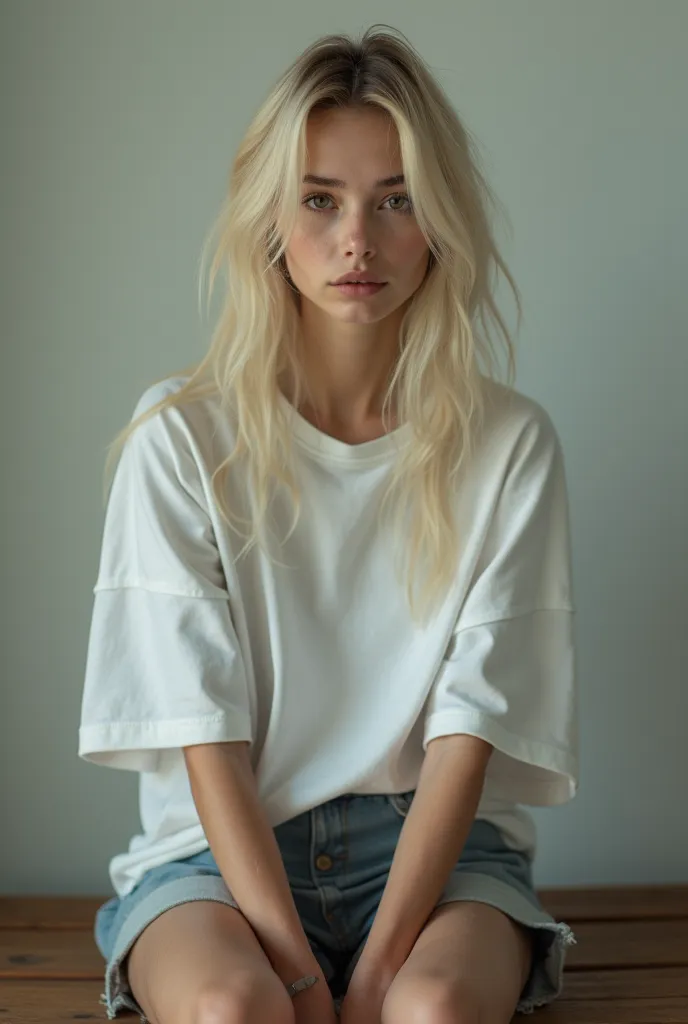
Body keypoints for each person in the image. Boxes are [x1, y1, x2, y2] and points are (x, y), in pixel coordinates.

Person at [78, 24, 578, 1024]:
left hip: (435, 861)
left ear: (437, 222)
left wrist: (382, 966)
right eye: (321, 199)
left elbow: (468, 729)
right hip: (216, 865)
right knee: (236, 1009)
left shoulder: (507, 444)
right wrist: (301, 979)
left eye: (396, 200)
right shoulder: (180, 441)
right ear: (272, 219)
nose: (358, 238)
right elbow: (201, 734)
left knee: (428, 1011)